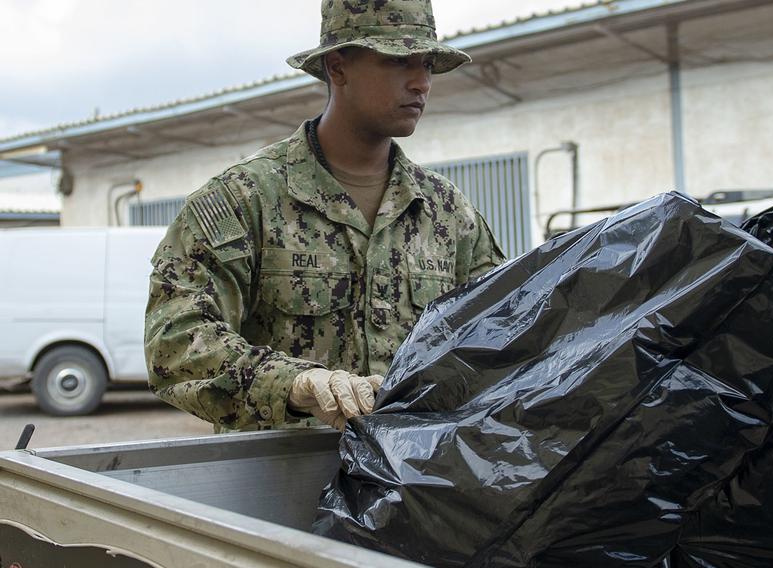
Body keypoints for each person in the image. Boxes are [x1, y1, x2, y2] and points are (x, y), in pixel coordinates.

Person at [144, 0, 505, 433]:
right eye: (398, 61)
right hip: (273, 483)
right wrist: (293, 384)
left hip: (414, 479)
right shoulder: (243, 200)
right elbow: (176, 340)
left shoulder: (448, 213)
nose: (420, 82)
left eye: (426, 63)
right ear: (338, 68)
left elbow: (497, 335)